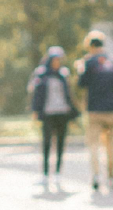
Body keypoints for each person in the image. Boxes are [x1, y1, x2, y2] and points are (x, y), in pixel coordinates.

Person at [73, 30, 113, 191]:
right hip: (111, 109)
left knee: (93, 144)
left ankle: (96, 175)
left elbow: (81, 84)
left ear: (90, 46)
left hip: (94, 109)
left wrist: (80, 68)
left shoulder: (89, 62)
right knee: (110, 144)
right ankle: (111, 176)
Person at [29, 46, 77, 188]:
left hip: (62, 113)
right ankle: (44, 174)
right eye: (55, 59)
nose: (57, 62)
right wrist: (35, 111)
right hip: (48, 113)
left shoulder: (64, 74)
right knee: (46, 144)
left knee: (61, 144)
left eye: (59, 60)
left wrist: (73, 113)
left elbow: (69, 94)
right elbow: (36, 94)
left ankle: (58, 174)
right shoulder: (41, 74)